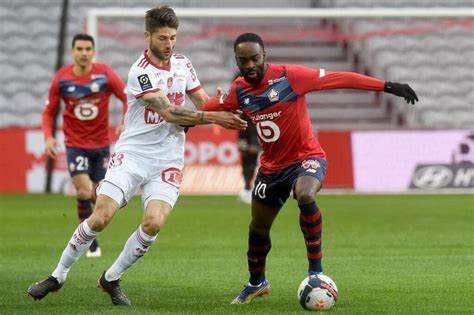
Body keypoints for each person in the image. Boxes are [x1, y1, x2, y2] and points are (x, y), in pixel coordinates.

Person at [28, 6, 247, 306]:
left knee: (154, 223)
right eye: (162, 38)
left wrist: (222, 106)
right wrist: (213, 118)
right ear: (147, 36)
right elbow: (168, 111)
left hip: (169, 158)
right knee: (101, 216)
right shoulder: (140, 72)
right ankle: (58, 275)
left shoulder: (184, 64)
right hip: (133, 154)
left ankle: (111, 278)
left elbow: (204, 101)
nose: (169, 44)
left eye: (173, 37)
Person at [201, 32, 418, 304]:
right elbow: (209, 108)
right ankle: (256, 283)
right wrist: (184, 119)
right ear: (237, 60)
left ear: (264, 55)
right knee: (258, 228)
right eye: (244, 61)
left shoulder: (290, 77)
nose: (250, 65)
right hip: (271, 169)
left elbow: (341, 78)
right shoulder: (239, 90)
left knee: (305, 194)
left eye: (255, 58)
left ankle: (316, 271)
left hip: (306, 157)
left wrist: (387, 86)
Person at [42, 33, 128, 258]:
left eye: (87, 49)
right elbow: (49, 111)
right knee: (81, 189)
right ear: (72, 52)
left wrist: (124, 122)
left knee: (98, 196)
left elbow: (127, 97)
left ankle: (91, 227)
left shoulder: (105, 74)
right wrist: (48, 137)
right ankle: (89, 241)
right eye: (79, 49)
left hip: (100, 145)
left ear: (93, 51)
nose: (83, 53)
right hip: (75, 144)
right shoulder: (62, 78)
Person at [237, 113, 260, 204]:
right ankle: (246, 188)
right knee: (245, 163)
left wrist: (255, 143)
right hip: (244, 136)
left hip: (253, 137)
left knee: (251, 164)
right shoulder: (244, 109)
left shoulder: (256, 108)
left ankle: (248, 188)